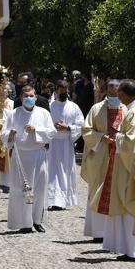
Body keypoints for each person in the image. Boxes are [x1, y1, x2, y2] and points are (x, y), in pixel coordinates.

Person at [1, 85, 57, 233]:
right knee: (21, 189)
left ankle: (37, 220)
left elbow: (51, 132)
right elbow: (4, 133)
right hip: (20, 156)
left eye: (31, 96)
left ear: (36, 97)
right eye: (26, 96)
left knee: (39, 189)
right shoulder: (14, 114)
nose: (29, 99)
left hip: (38, 155)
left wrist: (36, 130)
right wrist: (10, 134)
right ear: (20, 98)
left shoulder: (43, 113)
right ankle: (23, 223)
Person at [101, 79, 135, 261]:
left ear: (124, 95)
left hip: (131, 166)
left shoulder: (134, 112)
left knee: (130, 204)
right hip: (133, 163)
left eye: (119, 95)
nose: (118, 98)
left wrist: (116, 137)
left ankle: (134, 250)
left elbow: (131, 143)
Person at [81, 79, 126, 241]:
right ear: (105, 91)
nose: (114, 95)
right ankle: (98, 232)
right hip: (100, 157)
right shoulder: (96, 109)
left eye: (117, 92)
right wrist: (101, 138)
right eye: (111, 92)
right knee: (97, 191)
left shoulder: (126, 109)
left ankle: (116, 233)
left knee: (119, 192)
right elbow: (86, 130)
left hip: (121, 157)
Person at [47, 79, 84, 211]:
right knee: (52, 171)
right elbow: (44, 122)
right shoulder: (50, 106)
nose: (63, 92)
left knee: (64, 171)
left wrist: (68, 127)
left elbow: (81, 124)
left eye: (65, 90)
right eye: (60, 90)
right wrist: (53, 127)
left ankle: (63, 200)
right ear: (56, 90)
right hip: (52, 143)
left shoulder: (74, 107)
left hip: (66, 144)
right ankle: (52, 199)